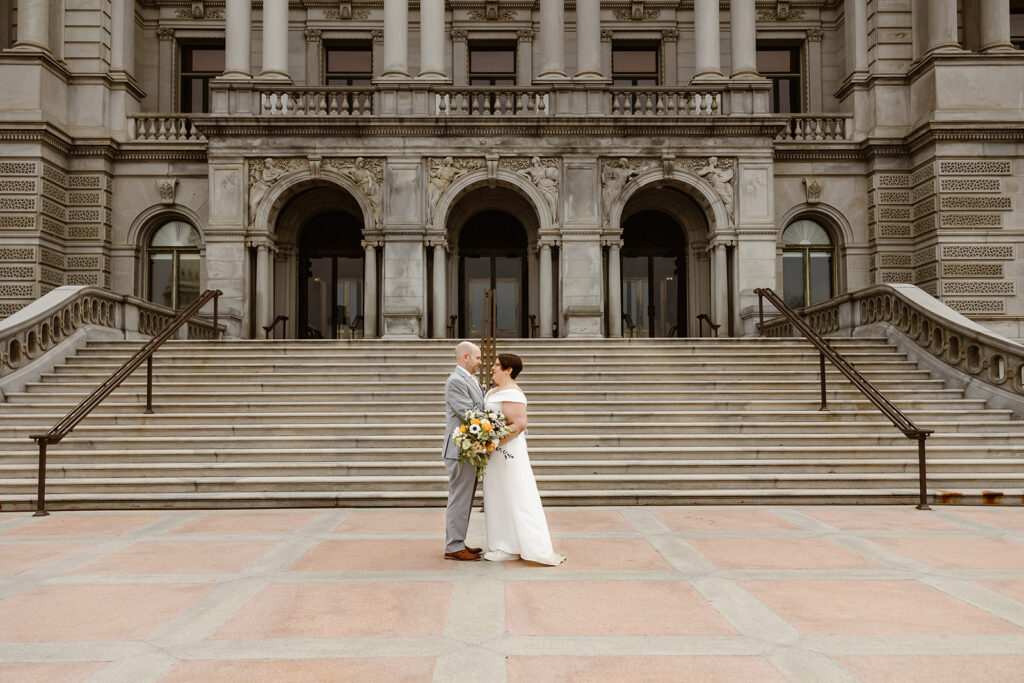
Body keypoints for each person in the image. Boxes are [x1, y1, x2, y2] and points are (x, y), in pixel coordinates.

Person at [482, 353, 565, 566]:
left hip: (508, 452)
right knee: (497, 495)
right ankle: (504, 544)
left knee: (516, 494)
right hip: (494, 453)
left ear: (509, 369)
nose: (492, 367)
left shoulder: (513, 393)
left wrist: (490, 442)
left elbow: (518, 425)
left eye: (497, 365)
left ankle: (522, 545)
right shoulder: (492, 391)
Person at [442, 341, 485, 561]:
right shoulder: (455, 381)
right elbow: (468, 413)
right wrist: (493, 425)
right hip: (460, 449)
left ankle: (458, 541)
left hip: (470, 449)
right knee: (459, 498)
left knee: (465, 498)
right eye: (478, 358)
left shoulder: (471, 379)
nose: (480, 362)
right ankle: (453, 546)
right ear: (465, 357)